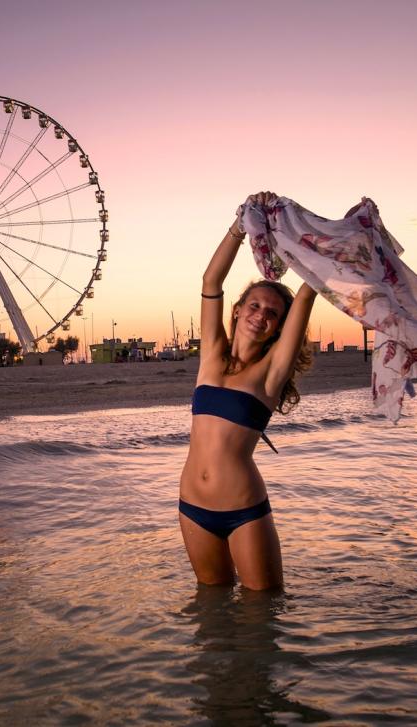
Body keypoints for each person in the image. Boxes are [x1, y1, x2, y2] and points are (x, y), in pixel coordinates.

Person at [179, 191, 316, 591]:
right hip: (191, 508)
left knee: (263, 616)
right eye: (255, 306)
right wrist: (241, 225)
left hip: (244, 512)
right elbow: (210, 281)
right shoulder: (211, 357)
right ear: (237, 309)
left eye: (272, 314)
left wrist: (336, 241)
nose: (261, 316)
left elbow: (308, 291)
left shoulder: (270, 373)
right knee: (212, 610)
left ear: (278, 328)